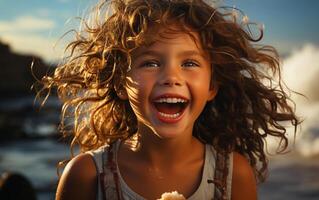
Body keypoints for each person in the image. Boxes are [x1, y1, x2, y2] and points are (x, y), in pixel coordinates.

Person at [40, 0, 299, 199]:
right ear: (120, 83)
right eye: (151, 62)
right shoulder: (87, 175)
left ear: (212, 86)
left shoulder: (234, 176)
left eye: (189, 63)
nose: (171, 77)